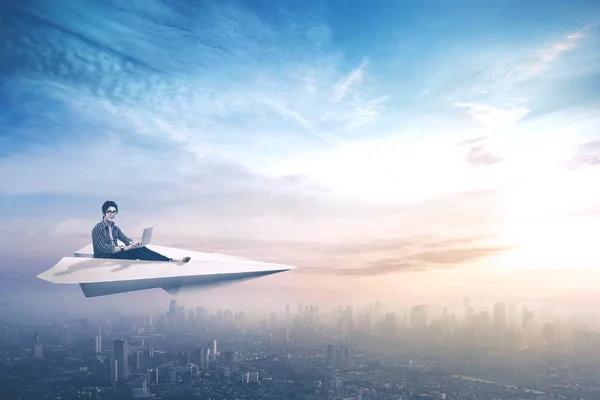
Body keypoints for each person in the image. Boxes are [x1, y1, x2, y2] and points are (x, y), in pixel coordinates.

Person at [92, 200, 190, 262]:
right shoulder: (98, 229)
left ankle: (170, 260)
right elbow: (106, 249)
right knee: (137, 252)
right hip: (104, 259)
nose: (112, 214)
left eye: (114, 212)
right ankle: (167, 262)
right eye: (109, 212)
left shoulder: (114, 227)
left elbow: (125, 238)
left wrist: (132, 244)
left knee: (140, 248)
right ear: (104, 212)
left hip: (115, 255)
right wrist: (125, 248)